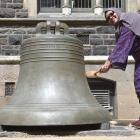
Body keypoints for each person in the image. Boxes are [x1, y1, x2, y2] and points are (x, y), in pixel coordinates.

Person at [86, 8, 140, 128]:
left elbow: (122, 45)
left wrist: (109, 62)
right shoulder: (121, 27)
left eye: (111, 14)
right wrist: (110, 63)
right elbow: (123, 47)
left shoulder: (128, 20)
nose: (110, 17)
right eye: (107, 18)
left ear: (117, 12)